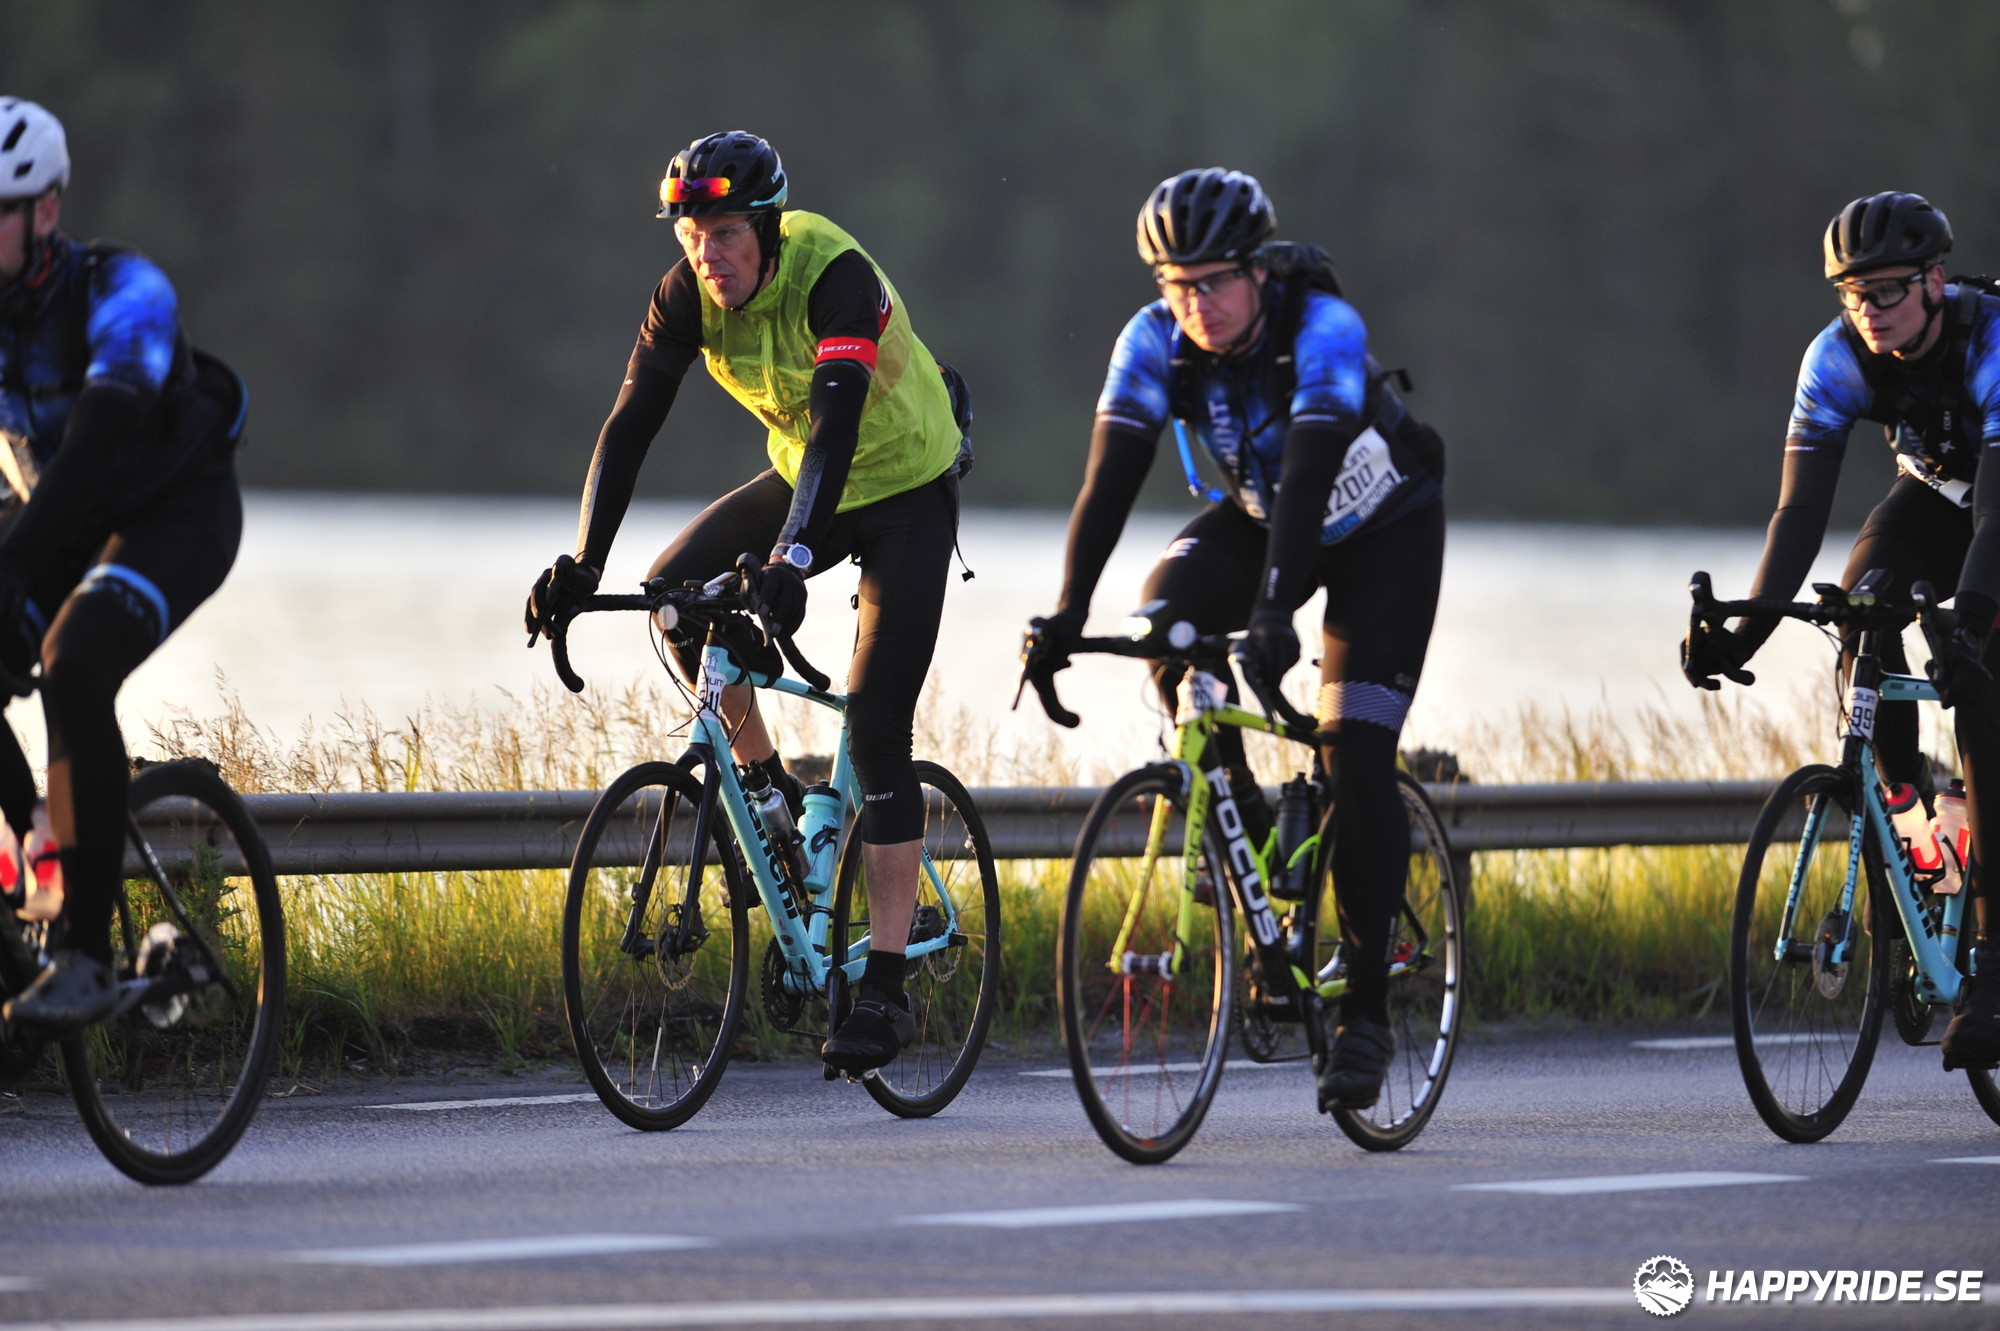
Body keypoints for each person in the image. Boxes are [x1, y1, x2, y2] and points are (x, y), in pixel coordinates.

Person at [524, 131, 968, 1072]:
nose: (706, 254)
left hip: (903, 490)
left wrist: (791, 557)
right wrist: (582, 563)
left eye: (724, 233)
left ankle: (886, 989)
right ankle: (772, 792)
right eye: (691, 235)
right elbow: (631, 423)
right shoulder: (684, 294)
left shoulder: (832, 275)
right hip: (805, 477)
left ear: (767, 228)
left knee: (876, 726)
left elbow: (837, 425)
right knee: (675, 601)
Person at [1022, 168, 1446, 1111]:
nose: (1196, 306)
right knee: (1161, 624)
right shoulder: (1153, 339)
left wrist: (1276, 612)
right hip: (1260, 516)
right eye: (1176, 286)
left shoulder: (1324, 329)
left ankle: (1365, 1012)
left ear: (1258, 271)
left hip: (1383, 531)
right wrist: (1064, 614)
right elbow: (1109, 481)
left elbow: (1310, 477)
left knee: (1354, 751)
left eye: (1214, 282)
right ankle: (1247, 842)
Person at [1682, 191, 2000, 1068]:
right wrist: (1741, 635)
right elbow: (1797, 516)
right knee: (1859, 607)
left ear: (1934, 281)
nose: (1870, 309)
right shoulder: (1835, 357)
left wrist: (1970, 631)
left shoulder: (1988, 340)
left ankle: (1994, 967)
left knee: (1981, 692)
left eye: (1888, 290)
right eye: (1853, 293)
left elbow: (1996, 520)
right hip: (1934, 495)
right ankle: (1912, 819)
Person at [0, 99, 247, 1029]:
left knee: (74, 661)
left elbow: (93, 445)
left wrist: (14, 564)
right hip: (58, 519)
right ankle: (39, 836)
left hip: (174, 514)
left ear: (45, 212)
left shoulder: (123, 291)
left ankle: (87, 957)